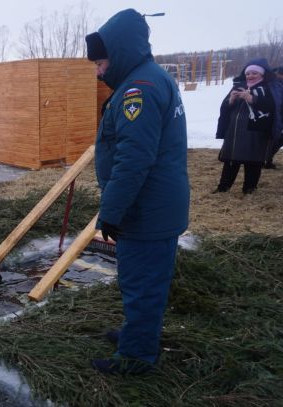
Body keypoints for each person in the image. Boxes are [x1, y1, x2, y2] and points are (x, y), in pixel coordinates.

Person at [85, 9, 190, 374]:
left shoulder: (138, 90)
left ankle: (136, 357)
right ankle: (137, 335)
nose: (98, 70)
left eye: (100, 61)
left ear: (120, 51)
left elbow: (133, 160)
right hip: (155, 206)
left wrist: (110, 212)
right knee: (142, 282)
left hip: (146, 211)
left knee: (142, 284)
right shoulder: (149, 77)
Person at [214, 59, 277, 193]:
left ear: (262, 74)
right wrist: (230, 100)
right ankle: (223, 187)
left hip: (256, 131)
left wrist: (252, 99)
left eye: (254, 73)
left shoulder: (268, 88)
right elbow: (225, 107)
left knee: (253, 161)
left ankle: (249, 189)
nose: (250, 76)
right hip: (235, 130)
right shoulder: (239, 86)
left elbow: (273, 107)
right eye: (248, 73)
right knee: (231, 160)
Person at [263, 66, 283, 169]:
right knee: (273, 139)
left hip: (278, 117)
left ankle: (267, 159)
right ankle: (266, 160)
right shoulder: (274, 84)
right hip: (275, 117)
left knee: (276, 140)